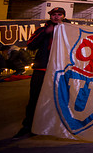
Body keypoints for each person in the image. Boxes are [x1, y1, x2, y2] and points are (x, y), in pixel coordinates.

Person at [14, 7, 67, 138]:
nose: (56, 17)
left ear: (64, 16)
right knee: (35, 98)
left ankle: (58, 124)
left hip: (61, 70)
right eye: (53, 14)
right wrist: (46, 33)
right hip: (42, 69)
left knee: (61, 97)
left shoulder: (68, 30)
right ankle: (29, 126)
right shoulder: (42, 30)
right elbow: (31, 45)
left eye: (59, 14)